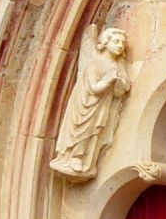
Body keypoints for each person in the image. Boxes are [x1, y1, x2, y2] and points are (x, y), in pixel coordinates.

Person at [48, 25, 131, 180]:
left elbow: (120, 91)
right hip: (86, 103)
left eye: (122, 43)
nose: (120, 45)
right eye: (116, 42)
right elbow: (94, 88)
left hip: (102, 105)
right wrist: (109, 80)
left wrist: (120, 83)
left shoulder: (118, 65)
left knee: (94, 131)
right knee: (82, 129)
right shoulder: (94, 62)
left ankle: (86, 160)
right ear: (105, 43)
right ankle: (74, 157)